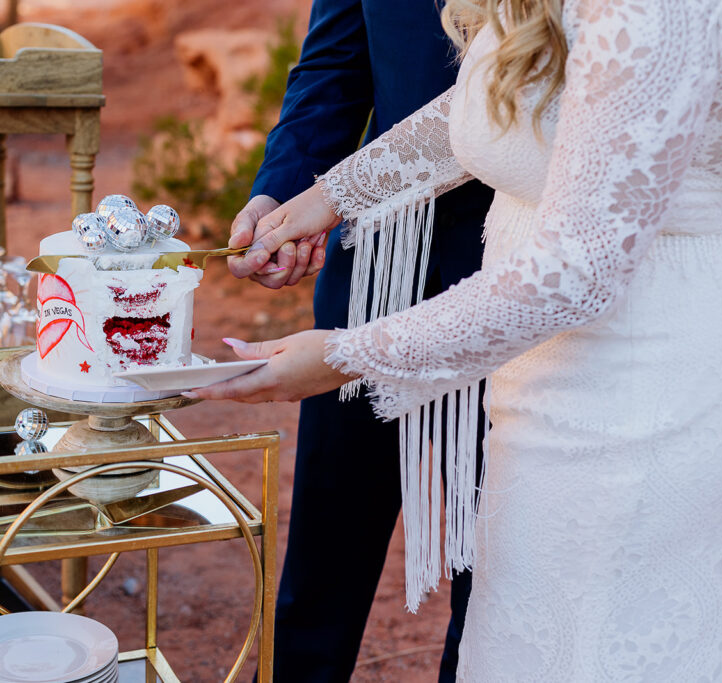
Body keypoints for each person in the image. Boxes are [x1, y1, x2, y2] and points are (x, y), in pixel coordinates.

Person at [194, 0, 722, 678]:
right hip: (548, 379)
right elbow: (500, 97)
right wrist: (324, 198)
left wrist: (346, 356)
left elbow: (578, 268)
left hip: (640, 389)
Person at [226, 1, 495, 681]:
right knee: (324, 551)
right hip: (376, 259)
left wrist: (328, 199)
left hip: (513, 273)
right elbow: (334, 64)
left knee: (496, 565)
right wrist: (279, 197)